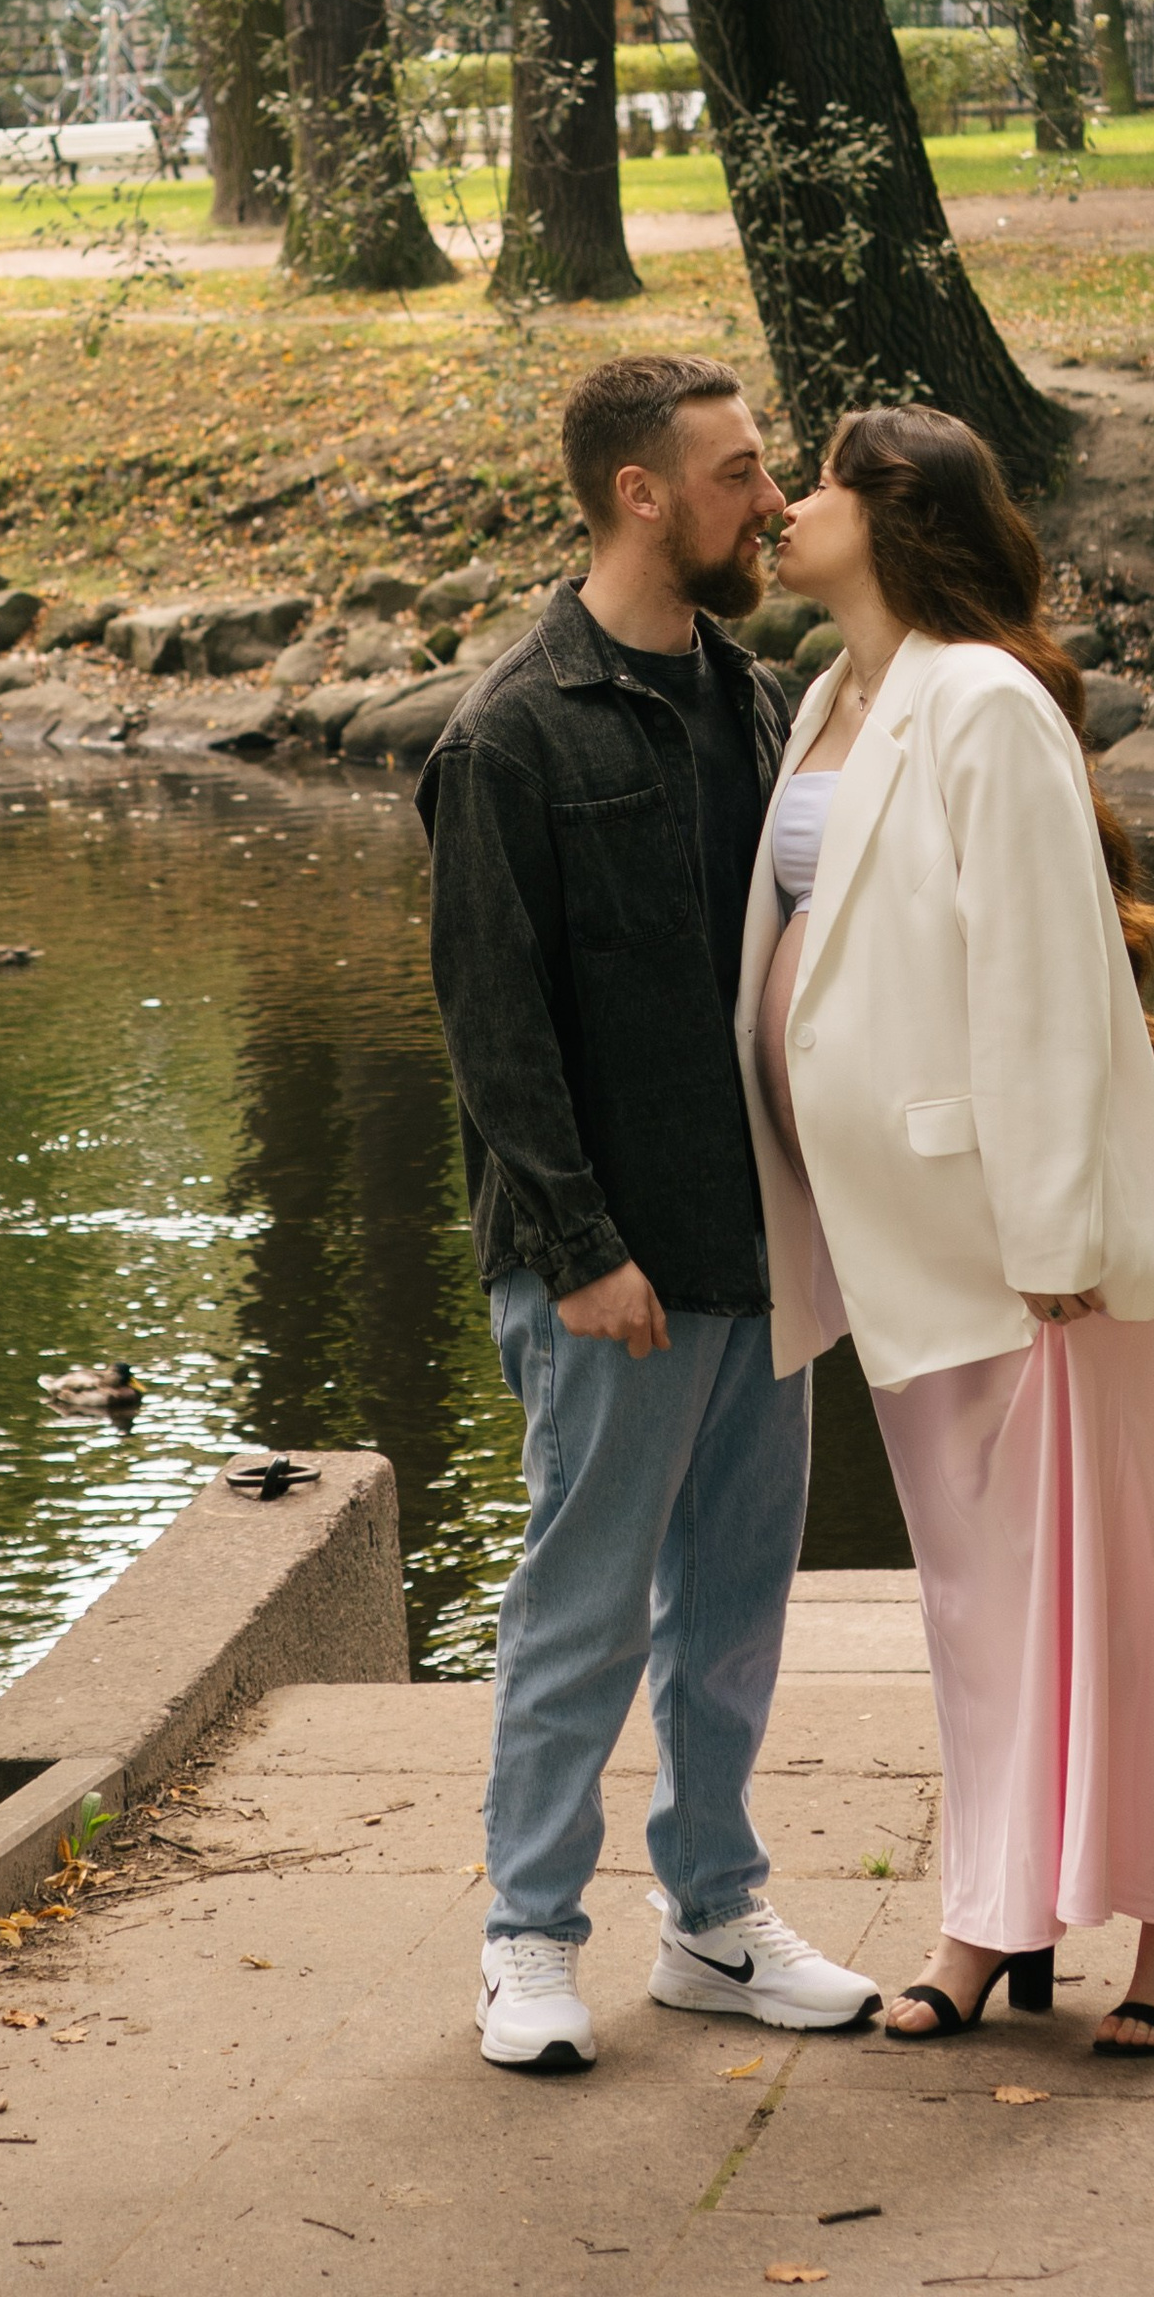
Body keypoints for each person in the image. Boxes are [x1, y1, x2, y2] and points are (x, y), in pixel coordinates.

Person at [735, 403, 1154, 2059]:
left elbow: (1045, 977)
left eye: (815, 481)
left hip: (1030, 1250)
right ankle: (991, 1912)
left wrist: (1052, 1229)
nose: (787, 508)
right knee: (973, 1602)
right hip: (894, 1234)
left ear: (894, 517)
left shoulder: (984, 701)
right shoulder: (836, 694)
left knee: (1107, 1592)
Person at [417, 354, 883, 2077]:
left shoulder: (756, 702)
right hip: (609, 1267)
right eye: (741, 474)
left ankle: (712, 1918)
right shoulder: (511, 733)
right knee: (585, 1606)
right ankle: (529, 1938)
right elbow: (494, 1029)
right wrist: (581, 1249)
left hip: (766, 1243)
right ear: (640, 494)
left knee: (738, 1603)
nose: (770, 502)